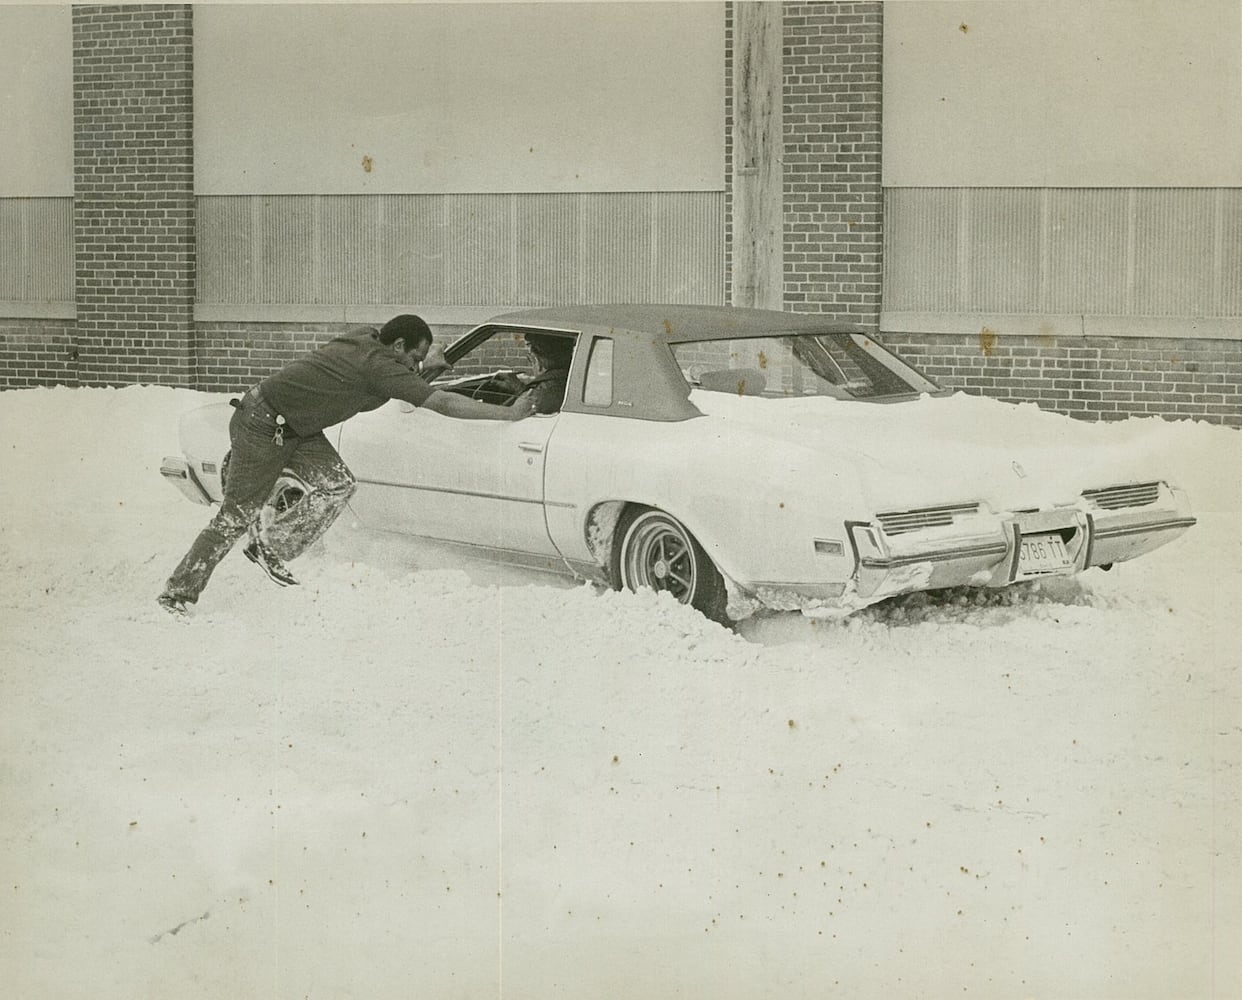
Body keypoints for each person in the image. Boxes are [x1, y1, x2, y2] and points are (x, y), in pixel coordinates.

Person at [157, 314, 533, 616]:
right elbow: (442, 403)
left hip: (296, 428)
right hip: (262, 423)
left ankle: (270, 547)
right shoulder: (376, 364)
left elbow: (394, 381)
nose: (415, 365)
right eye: (414, 358)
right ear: (398, 345)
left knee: (337, 484)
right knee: (235, 516)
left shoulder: (368, 339)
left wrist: (425, 369)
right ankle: (177, 593)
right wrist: (508, 413)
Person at [505, 333, 573, 415]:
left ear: (536, 360)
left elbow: (513, 414)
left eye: (529, 359)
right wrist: (520, 388)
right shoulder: (569, 380)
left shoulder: (540, 393)